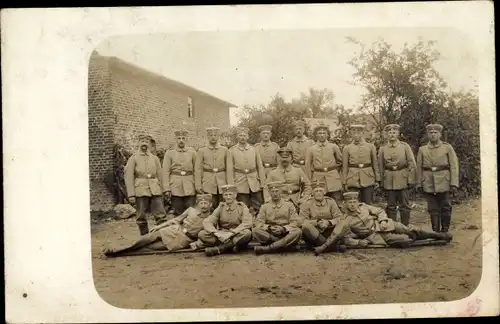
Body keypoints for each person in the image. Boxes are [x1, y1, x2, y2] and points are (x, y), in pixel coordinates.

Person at [103, 194, 213, 257]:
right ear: (198, 204)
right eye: (201, 203)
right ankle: (118, 250)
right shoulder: (191, 210)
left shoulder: (211, 219)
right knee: (148, 238)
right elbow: (174, 220)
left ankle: (121, 253)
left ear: (210, 205)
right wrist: (159, 226)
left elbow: (208, 236)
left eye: (206, 203)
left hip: (184, 240)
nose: (203, 206)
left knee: (150, 248)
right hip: (174, 230)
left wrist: (197, 244)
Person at [341, 191, 452, 249]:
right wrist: (359, 242)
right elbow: (346, 238)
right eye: (349, 203)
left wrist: (383, 221)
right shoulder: (344, 219)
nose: (352, 205)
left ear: (357, 201)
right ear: (345, 204)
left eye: (354, 202)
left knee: (407, 229)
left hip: (385, 225)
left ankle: (438, 235)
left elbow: (379, 211)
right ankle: (416, 237)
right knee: (405, 240)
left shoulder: (363, 206)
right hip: (376, 235)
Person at [416, 124, 459, 233]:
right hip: (428, 182)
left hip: (444, 180)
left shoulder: (447, 147)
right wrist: (419, 184)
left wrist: (454, 183)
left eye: (435, 133)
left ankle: (445, 231)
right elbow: (419, 167)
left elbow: (454, 166)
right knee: (432, 208)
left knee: (446, 206)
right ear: (427, 135)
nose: (433, 135)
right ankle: (436, 232)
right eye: (431, 133)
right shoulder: (422, 149)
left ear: (440, 134)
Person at [124, 134, 167, 235]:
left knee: (161, 214)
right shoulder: (133, 158)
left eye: (146, 142)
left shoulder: (155, 158)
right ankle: (145, 238)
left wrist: (164, 189)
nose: (144, 144)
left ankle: (161, 237)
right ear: (138, 143)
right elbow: (129, 177)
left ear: (149, 144)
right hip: (140, 189)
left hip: (155, 189)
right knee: (141, 216)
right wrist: (131, 194)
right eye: (142, 141)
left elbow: (160, 174)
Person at [198, 184, 253, 257]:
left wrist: (231, 233)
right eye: (226, 195)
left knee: (247, 233)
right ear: (223, 196)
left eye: (230, 194)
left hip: (236, 234)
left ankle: (220, 248)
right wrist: (217, 233)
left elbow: (247, 223)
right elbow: (208, 221)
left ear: (235, 195)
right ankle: (232, 246)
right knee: (202, 234)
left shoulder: (242, 206)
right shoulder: (221, 206)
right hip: (222, 235)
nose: (228, 197)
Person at [378, 124, 417, 225]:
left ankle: (405, 227)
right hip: (388, 180)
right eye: (390, 133)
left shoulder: (405, 147)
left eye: (394, 133)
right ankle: (393, 227)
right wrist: (381, 182)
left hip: (402, 178)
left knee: (404, 205)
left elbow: (411, 163)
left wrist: (411, 180)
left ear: (398, 134)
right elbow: (381, 166)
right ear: (387, 134)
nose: (392, 135)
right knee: (391, 205)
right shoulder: (383, 149)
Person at [253, 181, 303, 255]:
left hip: (285, 233)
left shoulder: (289, 205)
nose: (275, 194)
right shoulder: (265, 206)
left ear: (281, 192)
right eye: (272, 191)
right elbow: (258, 222)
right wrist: (269, 227)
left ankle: (268, 248)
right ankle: (285, 246)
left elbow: (295, 221)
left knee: (298, 231)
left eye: (277, 191)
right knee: (255, 230)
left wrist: (284, 229)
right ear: (269, 193)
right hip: (270, 233)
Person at [299, 181, 347, 254]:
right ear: (312, 193)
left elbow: (339, 217)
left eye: (320, 191)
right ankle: (334, 246)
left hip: (330, 232)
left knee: (343, 223)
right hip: (315, 234)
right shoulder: (307, 203)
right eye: (316, 191)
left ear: (324, 192)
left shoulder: (331, 202)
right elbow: (301, 221)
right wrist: (316, 223)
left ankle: (323, 247)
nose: (318, 193)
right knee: (306, 226)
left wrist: (329, 222)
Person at [228, 127, 266, 214]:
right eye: (240, 135)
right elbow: (230, 169)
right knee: (243, 204)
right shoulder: (231, 151)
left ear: (248, 137)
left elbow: (259, 166)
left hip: (254, 180)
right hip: (240, 180)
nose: (242, 137)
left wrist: (262, 181)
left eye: (244, 135)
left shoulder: (254, 149)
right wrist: (231, 185)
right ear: (237, 137)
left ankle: (258, 222)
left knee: (259, 203)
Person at [195, 126, 233, 211]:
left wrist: (230, 184)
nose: (213, 137)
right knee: (210, 205)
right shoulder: (201, 151)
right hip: (208, 182)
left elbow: (229, 168)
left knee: (224, 205)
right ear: (207, 137)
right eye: (211, 135)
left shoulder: (225, 150)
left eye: (215, 135)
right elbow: (198, 169)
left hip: (222, 182)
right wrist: (198, 184)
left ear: (218, 137)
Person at [305, 122, 343, 204]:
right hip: (318, 177)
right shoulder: (311, 149)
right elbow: (307, 165)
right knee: (320, 200)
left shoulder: (334, 147)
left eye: (324, 133)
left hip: (333, 177)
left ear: (327, 135)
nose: (322, 135)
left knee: (336, 199)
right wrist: (309, 181)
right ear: (316, 135)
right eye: (319, 133)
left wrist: (335, 172)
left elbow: (340, 161)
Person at [342, 124, 380, 204]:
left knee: (368, 203)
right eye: (354, 132)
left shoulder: (370, 147)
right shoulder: (347, 148)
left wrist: (377, 179)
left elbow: (375, 164)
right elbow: (345, 166)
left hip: (368, 177)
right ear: (351, 133)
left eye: (358, 132)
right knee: (354, 203)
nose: (356, 134)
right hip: (352, 178)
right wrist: (344, 181)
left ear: (362, 133)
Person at [162, 130, 197, 216]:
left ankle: (189, 229)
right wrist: (166, 188)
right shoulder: (170, 152)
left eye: (183, 138)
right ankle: (178, 229)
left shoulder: (192, 152)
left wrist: (197, 185)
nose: (181, 140)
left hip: (190, 185)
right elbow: (165, 171)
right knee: (178, 212)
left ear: (186, 139)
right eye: (179, 138)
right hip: (175, 186)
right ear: (176, 139)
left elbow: (197, 170)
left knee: (191, 212)